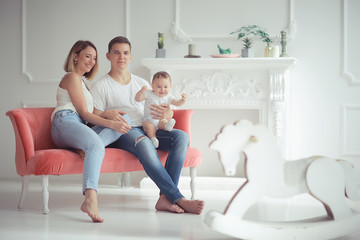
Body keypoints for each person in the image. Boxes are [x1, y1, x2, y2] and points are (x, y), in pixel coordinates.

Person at [91, 36, 205, 214]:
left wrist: (169, 113)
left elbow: (164, 106)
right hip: (124, 131)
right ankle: (178, 198)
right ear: (108, 56)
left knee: (181, 136)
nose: (121, 56)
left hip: (150, 125)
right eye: (116, 52)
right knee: (144, 142)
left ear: (130, 57)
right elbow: (93, 115)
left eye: (125, 53)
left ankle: (164, 199)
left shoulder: (143, 83)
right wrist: (110, 116)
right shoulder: (101, 85)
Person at [50, 40, 131, 222]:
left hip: (79, 125)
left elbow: (91, 114)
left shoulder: (83, 83)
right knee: (96, 142)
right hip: (64, 122)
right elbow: (84, 113)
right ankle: (90, 197)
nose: (92, 61)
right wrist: (110, 124)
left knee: (125, 119)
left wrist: (108, 115)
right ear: (75, 56)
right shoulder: (71, 77)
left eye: (94, 58)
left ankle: (87, 148)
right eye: (87, 56)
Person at [135, 71, 187, 148]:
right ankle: (153, 138)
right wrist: (141, 92)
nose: (162, 89)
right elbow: (138, 99)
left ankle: (167, 126)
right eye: (159, 86)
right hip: (149, 120)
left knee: (164, 121)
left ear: (170, 86)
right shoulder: (149, 93)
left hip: (160, 120)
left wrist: (182, 100)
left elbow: (176, 103)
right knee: (148, 127)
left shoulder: (169, 97)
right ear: (152, 86)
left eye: (165, 87)